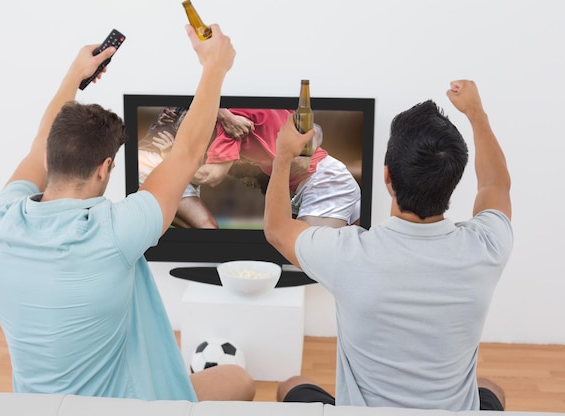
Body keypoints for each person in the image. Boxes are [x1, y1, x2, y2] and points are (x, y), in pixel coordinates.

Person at [0, 25, 255, 402]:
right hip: (125, 406)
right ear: (104, 168)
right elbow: (188, 154)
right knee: (240, 381)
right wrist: (215, 67)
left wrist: (74, 76)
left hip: (35, 407)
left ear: (49, 158)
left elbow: (36, 148)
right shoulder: (115, 233)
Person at [263, 80, 512, 411]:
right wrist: (476, 114)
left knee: (291, 385)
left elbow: (277, 229)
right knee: (490, 387)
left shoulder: (348, 255)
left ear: (387, 178)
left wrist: (282, 156)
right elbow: (496, 184)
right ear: (452, 182)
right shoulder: (486, 247)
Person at [193, 108, 362, 227]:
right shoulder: (260, 109)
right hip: (328, 178)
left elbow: (211, 176)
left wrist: (170, 168)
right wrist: (306, 153)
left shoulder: (232, 127)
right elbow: (314, 129)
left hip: (325, 183)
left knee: (306, 253)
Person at [138, 106, 218, 228]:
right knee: (208, 226)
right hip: (158, 157)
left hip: (173, 161)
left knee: (191, 227)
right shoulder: (231, 117)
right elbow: (208, 178)